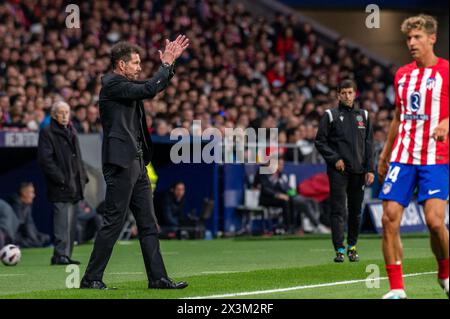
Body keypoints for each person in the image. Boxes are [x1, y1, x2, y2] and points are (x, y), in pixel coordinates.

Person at [80, 37, 190, 290]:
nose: (140, 67)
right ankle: (91, 278)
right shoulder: (112, 84)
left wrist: (168, 68)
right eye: (136, 63)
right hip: (121, 163)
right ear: (121, 64)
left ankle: (158, 278)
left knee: (148, 223)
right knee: (113, 222)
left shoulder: (124, 85)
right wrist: (166, 64)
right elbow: (149, 89)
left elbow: (149, 87)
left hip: (137, 162)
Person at [377, 15, 448, 299]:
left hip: (436, 158)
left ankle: (445, 272)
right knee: (389, 218)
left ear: (432, 38)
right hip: (403, 157)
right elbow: (397, 117)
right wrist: (385, 154)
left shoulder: (446, 72)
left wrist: (446, 123)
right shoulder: (402, 75)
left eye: (417, 37)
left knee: (434, 221)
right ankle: (397, 289)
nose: (412, 43)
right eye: (408, 38)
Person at [315, 79, 374, 263]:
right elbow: (320, 141)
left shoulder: (363, 115)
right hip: (338, 172)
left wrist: (369, 169)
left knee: (356, 211)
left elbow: (369, 144)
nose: (347, 96)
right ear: (338, 95)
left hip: (358, 171)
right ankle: (339, 249)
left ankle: (353, 247)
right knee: (338, 210)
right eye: (344, 93)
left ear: (355, 93)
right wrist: (334, 159)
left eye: (350, 92)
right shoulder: (330, 115)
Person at [37, 101, 89, 265]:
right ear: (53, 115)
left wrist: (82, 176)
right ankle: (59, 255)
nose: (65, 115)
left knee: (71, 222)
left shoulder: (71, 130)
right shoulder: (47, 132)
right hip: (60, 185)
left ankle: (66, 254)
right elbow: (45, 160)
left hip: (75, 183)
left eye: (67, 112)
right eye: (61, 112)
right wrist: (62, 179)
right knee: (62, 222)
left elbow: (78, 157)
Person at [258, 157, 328, 235]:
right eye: (279, 164)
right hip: (267, 198)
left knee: (306, 200)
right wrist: (278, 195)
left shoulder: (280, 174)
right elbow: (265, 189)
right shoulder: (264, 171)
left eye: (282, 164)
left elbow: (285, 188)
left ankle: (302, 226)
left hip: (281, 198)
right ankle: (288, 227)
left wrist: (292, 193)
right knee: (287, 201)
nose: (281, 166)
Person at [8, 182, 51, 248]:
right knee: (35, 242)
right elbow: (18, 228)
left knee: (45, 237)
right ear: (24, 193)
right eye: (31, 192)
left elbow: (30, 224)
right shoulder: (15, 206)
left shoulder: (27, 206)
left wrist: (37, 236)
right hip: (13, 238)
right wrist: (34, 239)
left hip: (25, 237)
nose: (34, 195)